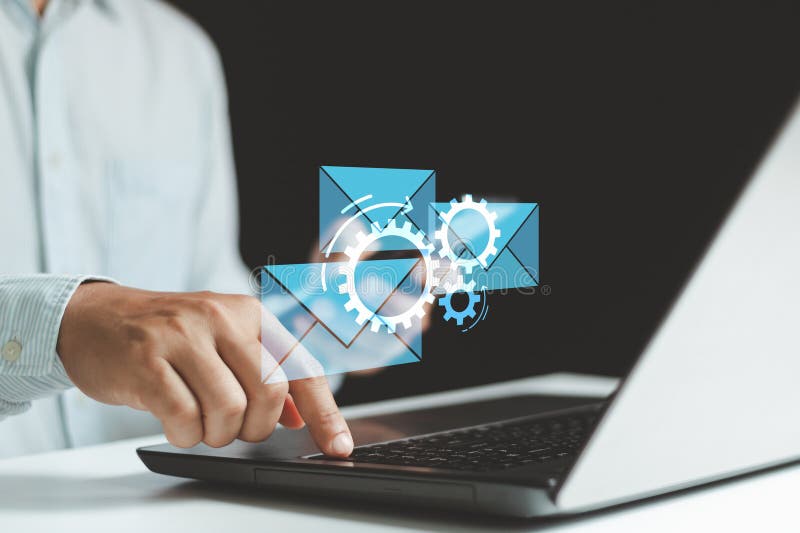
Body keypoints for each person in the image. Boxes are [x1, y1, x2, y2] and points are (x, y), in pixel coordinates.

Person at [0, 0, 353, 459]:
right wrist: (62, 327)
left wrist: (324, 325)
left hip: (160, 501)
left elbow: (208, 297)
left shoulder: (180, 51)